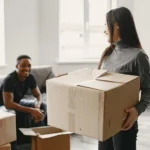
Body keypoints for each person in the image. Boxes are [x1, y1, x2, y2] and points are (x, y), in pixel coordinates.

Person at [98, 7, 150, 150]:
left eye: (105, 24)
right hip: (103, 122)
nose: (104, 29)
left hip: (124, 123)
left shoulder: (138, 56)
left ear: (117, 25)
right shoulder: (108, 53)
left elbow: (148, 90)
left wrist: (137, 110)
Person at [0, 55, 47, 148]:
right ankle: (19, 143)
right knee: (14, 112)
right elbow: (8, 104)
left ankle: (37, 136)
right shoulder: (9, 80)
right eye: (23, 65)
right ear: (17, 66)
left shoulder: (30, 77)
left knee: (43, 106)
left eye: (29, 65)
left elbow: (38, 95)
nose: (26, 68)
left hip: (16, 102)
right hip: (3, 107)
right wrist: (31, 110)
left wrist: (37, 106)